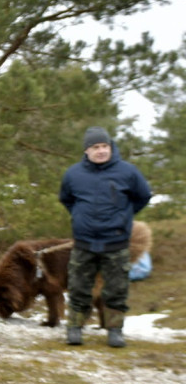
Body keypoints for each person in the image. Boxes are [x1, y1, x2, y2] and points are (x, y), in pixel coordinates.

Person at [60, 127, 151, 348]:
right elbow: (67, 199)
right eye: (95, 147)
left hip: (116, 242)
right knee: (79, 287)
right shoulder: (73, 174)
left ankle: (115, 331)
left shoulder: (128, 172)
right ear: (86, 150)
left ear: (110, 148)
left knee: (117, 290)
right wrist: (80, 217)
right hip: (84, 242)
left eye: (104, 147)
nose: (101, 151)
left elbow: (143, 196)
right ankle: (74, 328)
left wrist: (124, 217)